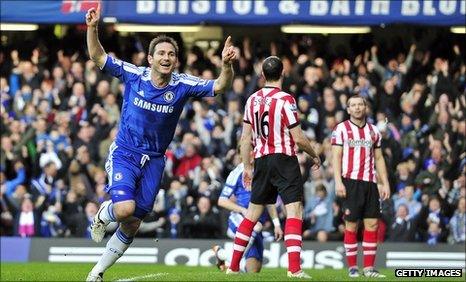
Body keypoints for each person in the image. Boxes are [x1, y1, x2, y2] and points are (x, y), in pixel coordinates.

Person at [84, 4, 237, 281]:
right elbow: (97, 56)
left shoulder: (182, 84)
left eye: (171, 54)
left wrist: (226, 67)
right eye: (162, 53)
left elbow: (219, 86)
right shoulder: (133, 74)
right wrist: (93, 29)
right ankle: (102, 216)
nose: (166, 58)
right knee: (124, 210)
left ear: (176, 61)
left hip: (155, 159)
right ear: (151, 58)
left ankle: (97, 273)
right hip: (126, 152)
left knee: (132, 223)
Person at [227, 56, 320, 279]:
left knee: (251, 215)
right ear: (283, 73)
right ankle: (294, 269)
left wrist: (248, 167)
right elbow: (297, 138)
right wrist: (314, 154)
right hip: (284, 159)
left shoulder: (251, 100)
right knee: (294, 211)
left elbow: (245, 138)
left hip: (261, 160)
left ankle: (232, 267)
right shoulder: (286, 99)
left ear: (262, 75)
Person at [331, 94, 390, 278]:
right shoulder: (341, 129)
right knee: (351, 225)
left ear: (365, 108)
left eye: (360, 105)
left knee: (372, 224)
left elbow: (379, 158)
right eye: (353, 105)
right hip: (350, 182)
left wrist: (384, 182)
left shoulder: (374, 132)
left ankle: (369, 268)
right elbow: (336, 157)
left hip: (370, 183)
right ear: (348, 109)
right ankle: (352, 267)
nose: (357, 108)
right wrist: (338, 181)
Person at [213, 154, 283, 273]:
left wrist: (276, 224)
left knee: (254, 271)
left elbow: (269, 200)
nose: (252, 155)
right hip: (240, 218)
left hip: (257, 224)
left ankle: (223, 256)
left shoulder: (265, 171)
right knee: (256, 227)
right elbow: (222, 200)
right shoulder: (238, 172)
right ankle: (231, 264)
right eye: (249, 151)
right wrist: (242, 210)